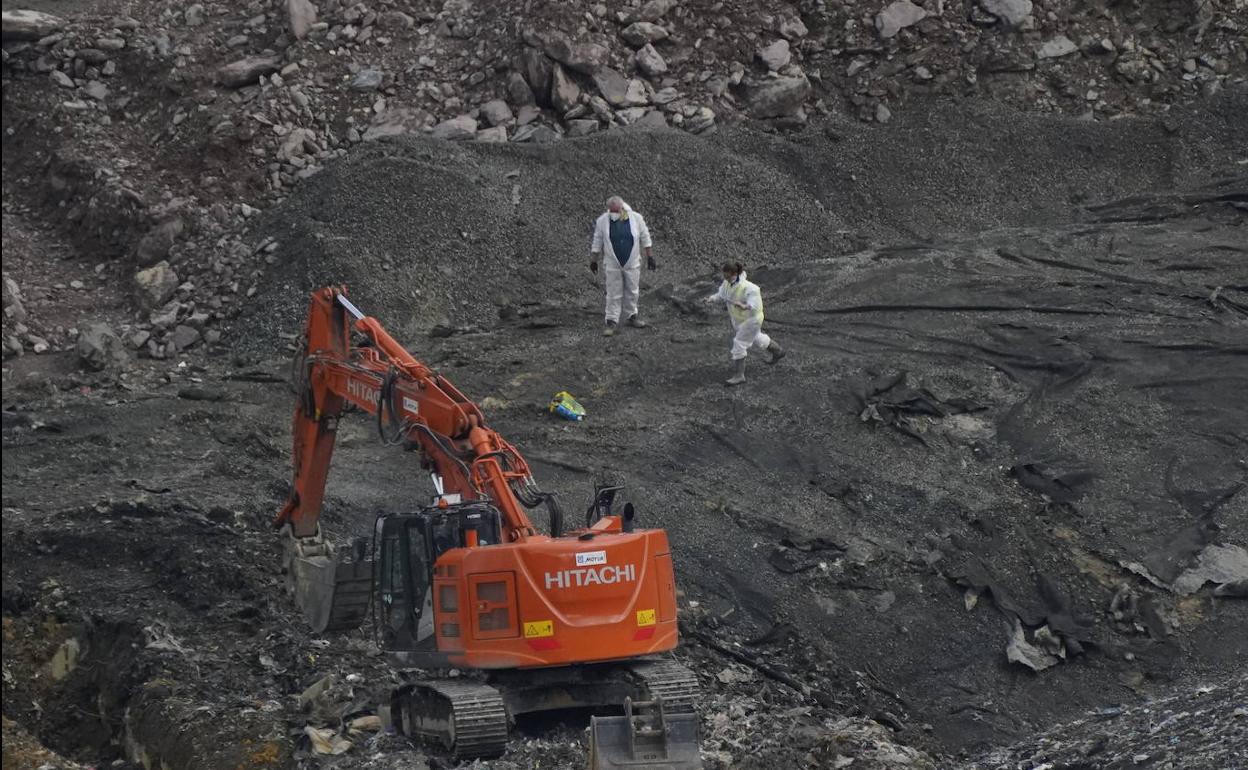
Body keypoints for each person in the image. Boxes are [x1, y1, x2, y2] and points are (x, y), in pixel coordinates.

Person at [704, 261, 784, 385]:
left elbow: (755, 304)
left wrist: (744, 306)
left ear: (733, 273)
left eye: (726, 273)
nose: (723, 275)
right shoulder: (726, 283)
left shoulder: (749, 287)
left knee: (739, 342)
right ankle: (778, 351)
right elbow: (721, 294)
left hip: (752, 320)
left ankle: (739, 376)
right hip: (739, 320)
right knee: (756, 337)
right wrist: (711, 299)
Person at [590, 196, 657, 337]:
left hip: (632, 262)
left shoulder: (636, 218)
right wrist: (593, 260)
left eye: (616, 210)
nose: (614, 213)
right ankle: (611, 321)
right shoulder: (603, 221)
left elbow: (645, 237)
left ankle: (631, 316)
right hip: (612, 263)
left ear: (622, 207)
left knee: (632, 290)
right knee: (613, 292)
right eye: (612, 211)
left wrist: (650, 256)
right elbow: (597, 240)